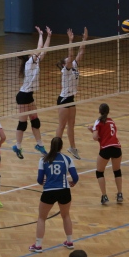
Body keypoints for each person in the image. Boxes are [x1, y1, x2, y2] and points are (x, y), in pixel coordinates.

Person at [29, 137, 79, 253]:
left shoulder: (43, 160)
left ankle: (38, 245)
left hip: (49, 191)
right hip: (64, 190)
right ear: (61, 147)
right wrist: (73, 183)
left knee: (42, 218)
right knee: (66, 216)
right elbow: (75, 177)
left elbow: (39, 179)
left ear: (51, 146)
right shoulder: (67, 159)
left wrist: (43, 182)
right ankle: (70, 241)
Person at [13, 26, 52, 160]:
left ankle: (39, 145)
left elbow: (44, 50)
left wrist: (48, 36)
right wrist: (40, 35)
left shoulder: (34, 61)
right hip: (23, 96)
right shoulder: (30, 62)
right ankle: (17, 146)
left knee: (35, 121)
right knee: (23, 123)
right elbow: (40, 48)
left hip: (29, 95)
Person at [55, 28, 88, 160]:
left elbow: (81, 52)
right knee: (62, 125)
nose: (70, 59)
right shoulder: (66, 69)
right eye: (68, 59)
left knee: (71, 124)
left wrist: (84, 39)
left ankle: (72, 147)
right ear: (65, 64)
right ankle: (55, 151)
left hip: (71, 98)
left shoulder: (74, 65)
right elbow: (71, 54)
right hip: (63, 99)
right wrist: (70, 40)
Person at [87, 104, 123, 206]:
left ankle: (104, 196)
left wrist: (92, 130)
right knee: (117, 171)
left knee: (99, 172)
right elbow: (107, 134)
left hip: (106, 148)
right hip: (116, 148)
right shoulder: (112, 121)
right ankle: (120, 194)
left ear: (99, 111)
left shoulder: (98, 121)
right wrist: (94, 130)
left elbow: (95, 137)